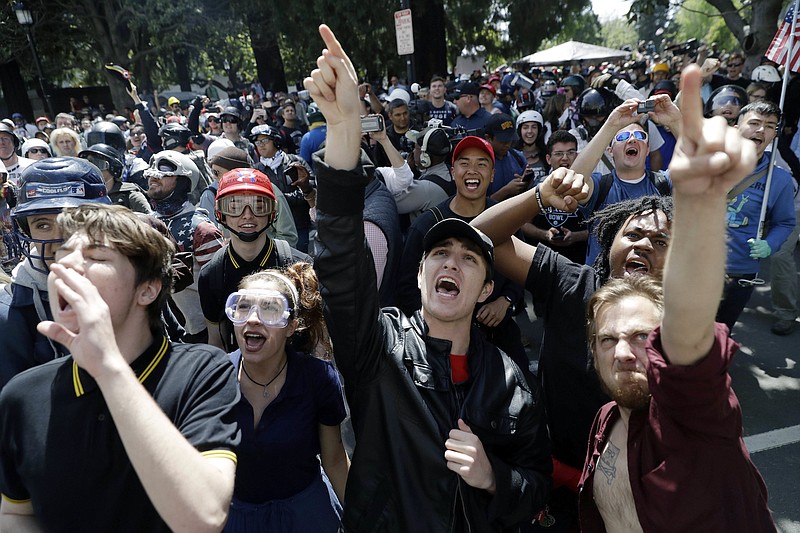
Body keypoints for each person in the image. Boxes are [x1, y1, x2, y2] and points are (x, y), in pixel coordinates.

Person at [306, 25, 551, 531]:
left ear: (486, 287)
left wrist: (493, 478)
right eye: (439, 253)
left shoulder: (510, 383)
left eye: (468, 258)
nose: (450, 264)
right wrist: (346, 127)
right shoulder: (377, 349)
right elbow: (338, 264)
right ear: (419, 276)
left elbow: (536, 488)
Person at [578, 64, 776, 532]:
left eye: (645, 337)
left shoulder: (695, 416)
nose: (624, 352)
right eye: (607, 340)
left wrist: (701, 205)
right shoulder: (606, 423)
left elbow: (687, 344)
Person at [0, 203, 239, 531]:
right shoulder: (21, 395)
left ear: (148, 290)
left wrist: (108, 367)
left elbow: (204, 518)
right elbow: (15, 513)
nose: (67, 267)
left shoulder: (202, 372)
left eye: (96, 258)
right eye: (62, 254)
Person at [224, 265, 349, 532]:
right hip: (236, 520)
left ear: (291, 326)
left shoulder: (318, 379)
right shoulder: (213, 378)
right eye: (243, 307)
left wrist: (362, 519)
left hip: (307, 517)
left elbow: (335, 460)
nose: (254, 319)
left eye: (270, 309)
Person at [0, 158, 113, 388]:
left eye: (74, 221)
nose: (60, 239)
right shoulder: (9, 311)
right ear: (26, 230)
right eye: (42, 225)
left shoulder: (132, 282)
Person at [199, 168, 309, 351]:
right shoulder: (212, 275)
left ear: (272, 212)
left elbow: (316, 339)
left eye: (259, 206)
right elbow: (217, 342)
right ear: (220, 213)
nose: (247, 215)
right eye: (234, 207)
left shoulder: (299, 266)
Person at [716, 100, 796, 331]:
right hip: (695, 264)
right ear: (736, 127)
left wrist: (770, 244)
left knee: (719, 336)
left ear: (774, 134)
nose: (762, 130)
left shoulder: (779, 179)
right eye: (754, 123)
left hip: (739, 271)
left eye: (770, 126)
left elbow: (784, 222)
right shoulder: (709, 161)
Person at [146, 151, 224, 342]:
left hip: (198, 331)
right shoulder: (148, 223)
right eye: (152, 170)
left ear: (183, 181)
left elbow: (218, 286)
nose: (154, 175)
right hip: (159, 328)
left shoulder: (202, 229)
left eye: (165, 170)